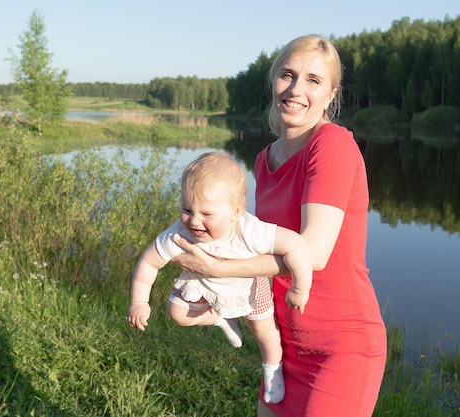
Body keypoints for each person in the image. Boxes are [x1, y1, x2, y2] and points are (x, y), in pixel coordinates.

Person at [172, 34, 387, 417]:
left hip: (341, 347)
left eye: (313, 80)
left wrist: (219, 268)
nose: (296, 89)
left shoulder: (332, 145)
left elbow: (313, 252)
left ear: (330, 93)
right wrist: (214, 277)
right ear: (274, 80)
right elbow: (258, 243)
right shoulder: (263, 159)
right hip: (286, 345)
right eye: (288, 75)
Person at [128, 151, 312, 404]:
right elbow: (149, 263)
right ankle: (220, 319)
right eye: (187, 209)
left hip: (247, 285)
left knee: (264, 330)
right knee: (177, 314)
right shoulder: (180, 234)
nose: (194, 221)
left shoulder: (249, 230)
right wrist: (140, 301)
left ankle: (272, 368)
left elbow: (296, 244)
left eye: (207, 214)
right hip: (201, 282)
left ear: (235, 212)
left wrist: (300, 288)